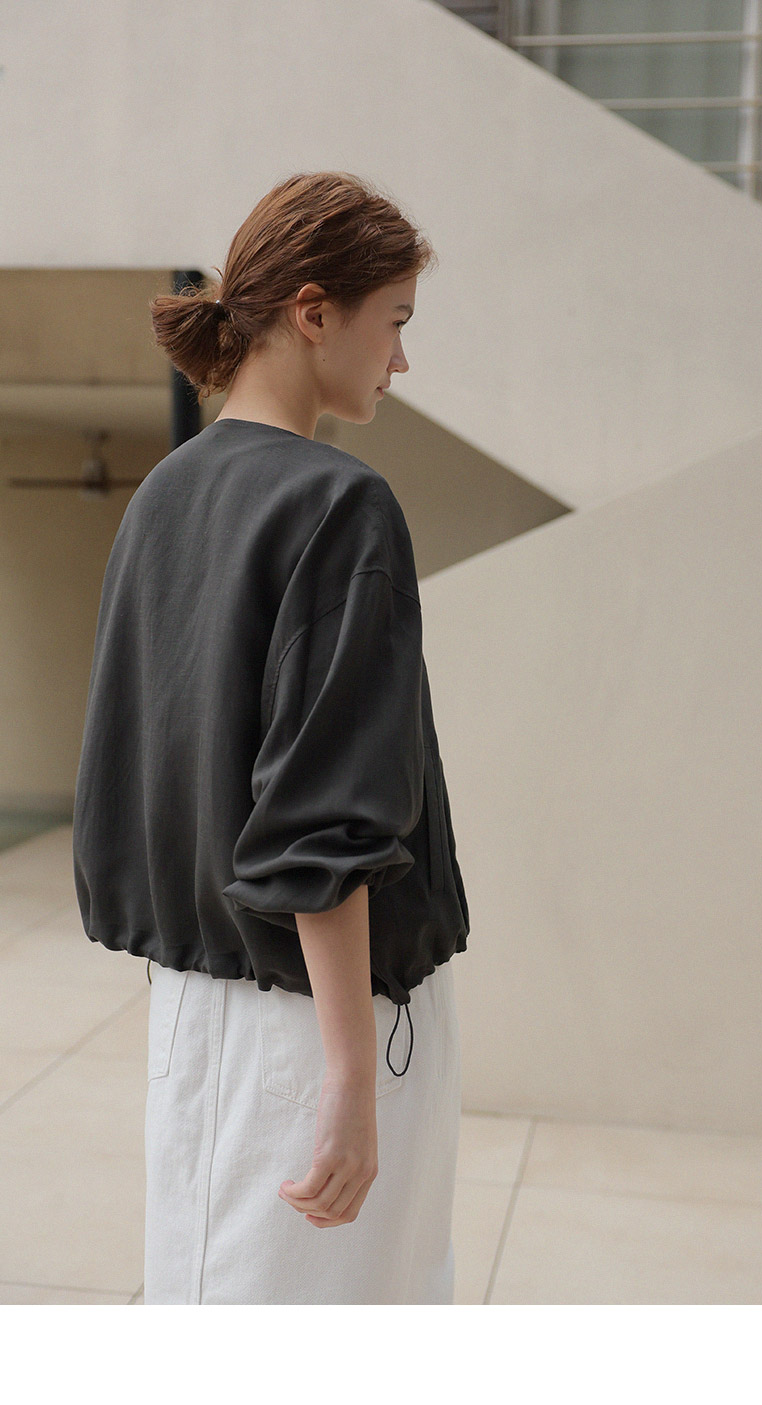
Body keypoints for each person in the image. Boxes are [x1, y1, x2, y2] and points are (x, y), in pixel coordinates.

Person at [71, 171, 470, 1304]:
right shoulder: (339, 504)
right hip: (319, 1019)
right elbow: (321, 819)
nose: (401, 359)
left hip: (200, 1007)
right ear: (313, 311)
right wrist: (350, 1075)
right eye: (394, 320)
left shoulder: (163, 497)